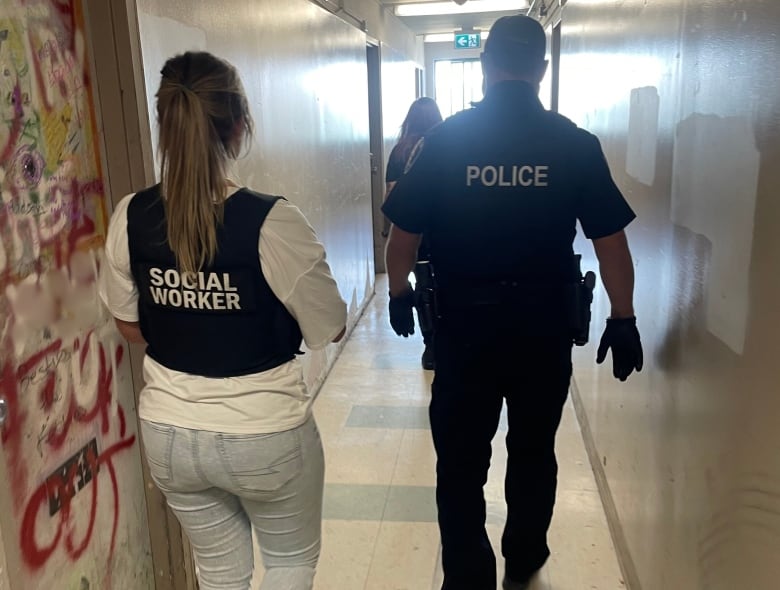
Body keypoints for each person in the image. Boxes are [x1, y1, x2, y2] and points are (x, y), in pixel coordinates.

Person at [382, 15, 643, 590]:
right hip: (543, 330)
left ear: (484, 66)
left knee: (460, 461)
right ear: (542, 70)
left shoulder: (447, 141)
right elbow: (612, 245)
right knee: (532, 450)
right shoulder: (574, 143)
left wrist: (398, 292)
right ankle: (523, 556)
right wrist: (623, 319)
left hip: (462, 331)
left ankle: (469, 574)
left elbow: (402, 236)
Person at [98, 51, 346, 590]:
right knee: (287, 564)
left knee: (219, 574)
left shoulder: (130, 215)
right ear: (240, 124)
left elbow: (130, 325)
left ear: (164, 122)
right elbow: (329, 327)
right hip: (265, 433)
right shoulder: (272, 221)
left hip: (169, 432)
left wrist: (188, 317)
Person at [383, 97, 443, 370]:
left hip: (412, 232)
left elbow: (392, 194)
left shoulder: (399, 152)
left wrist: (392, 231)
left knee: (423, 286)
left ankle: (430, 344)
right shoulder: (442, 148)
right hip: (442, 231)